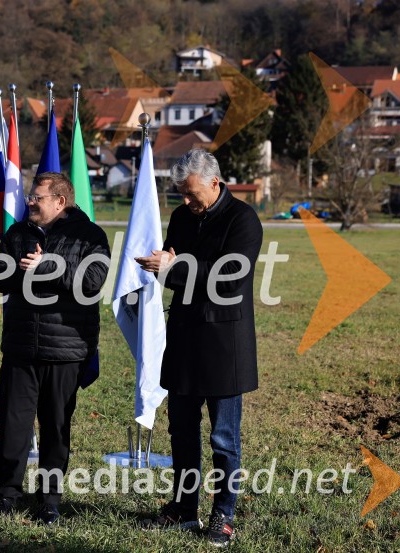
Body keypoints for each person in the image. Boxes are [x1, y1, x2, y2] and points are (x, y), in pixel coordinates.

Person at [136, 149, 262, 547]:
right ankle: (183, 507)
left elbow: (229, 282)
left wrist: (175, 267)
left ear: (215, 182)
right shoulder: (179, 218)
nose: (185, 202)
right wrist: (166, 267)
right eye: (180, 195)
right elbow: (174, 278)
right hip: (185, 337)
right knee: (182, 431)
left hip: (225, 345)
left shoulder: (243, 220)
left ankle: (223, 515)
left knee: (223, 437)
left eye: (191, 194)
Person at [0, 171, 110, 524]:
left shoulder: (89, 235)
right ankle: (6, 495)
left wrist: (48, 267)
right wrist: (24, 271)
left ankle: (49, 501)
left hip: (65, 350)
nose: (30, 202)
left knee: (56, 429)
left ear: (60, 201)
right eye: (30, 196)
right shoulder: (19, 232)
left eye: (37, 197)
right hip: (21, 346)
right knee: (13, 426)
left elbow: (93, 281)